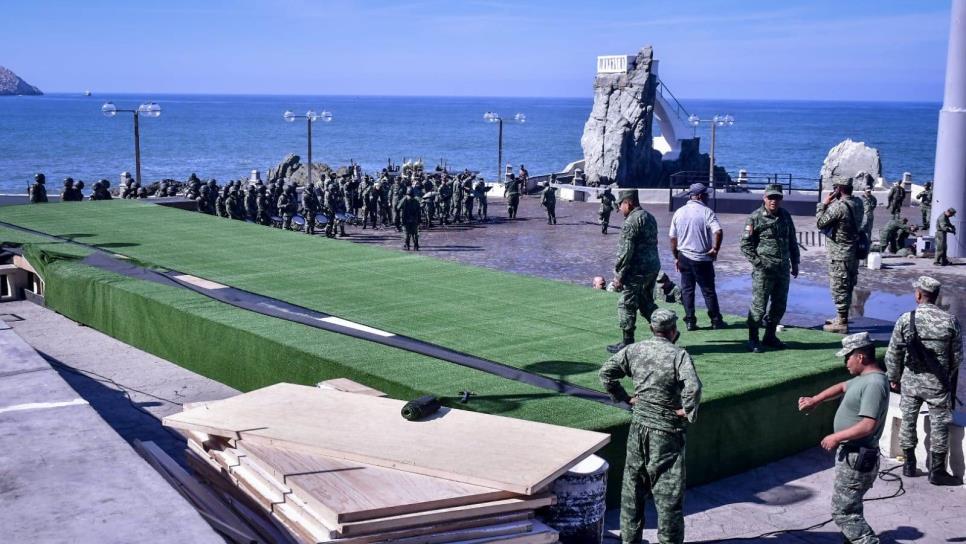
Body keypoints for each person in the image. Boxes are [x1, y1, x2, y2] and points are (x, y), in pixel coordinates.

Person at [599, 309, 702, 544]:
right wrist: (687, 411)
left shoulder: (634, 350)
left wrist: (625, 398)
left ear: (651, 329)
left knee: (633, 489)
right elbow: (693, 388)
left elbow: (606, 374)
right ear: (674, 331)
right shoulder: (679, 355)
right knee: (668, 496)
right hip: (666, 431)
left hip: (639, 426)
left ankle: (630, 540)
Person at [798, 332, 889, 544]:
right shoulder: (864, 379)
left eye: (847, 357)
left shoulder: (874, 384)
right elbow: (842, 387)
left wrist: (836, 437)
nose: (845, 362)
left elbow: (868, 425)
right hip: (852, 455)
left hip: (857, 456)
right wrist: (816, 400)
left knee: (843, 513)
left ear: (861, 357)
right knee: (851, 507)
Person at [885, 276, 962, 486]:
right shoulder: (950, 321)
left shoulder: (906, 319)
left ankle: (909, 464)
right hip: (937, 384)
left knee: (908, 421)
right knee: (940, 425)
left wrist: (893, 378)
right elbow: (957, 357)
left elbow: (893, 354)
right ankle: (937, 471)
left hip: (910, 382)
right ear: (937, 297)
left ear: (918, 295)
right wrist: (945, 374)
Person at [741, 184, 800, 352]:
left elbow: (792, 240)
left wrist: (795, 262)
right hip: (764, 271)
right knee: (759, 307)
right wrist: (759, 263)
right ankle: (753, 339)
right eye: (771, 197)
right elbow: (745, 245)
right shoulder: (755, 218)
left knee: (779, 305)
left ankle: (770, 336)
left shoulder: (785, 216)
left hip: (782, 269)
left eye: (777, 198)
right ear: (764, 198)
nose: (774, 201)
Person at [608, 189, 661, 353]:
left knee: (626, 304)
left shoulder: (631, 221)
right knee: (645, 302)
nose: (619, 209)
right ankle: (667, 329)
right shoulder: (649, 217)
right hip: (652, 267)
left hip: (636, 270)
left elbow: (626, 252)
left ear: (628, 203)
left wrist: (619, 275)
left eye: (620, 205)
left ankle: (627, 340)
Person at [669, 183, 724, 331]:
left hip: (683, 257)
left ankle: (690, 321)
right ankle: (715, 320)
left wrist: (676, 257)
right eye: (706, 194)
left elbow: (673, 238)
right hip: (702, 259)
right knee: (708, 291)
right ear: (699, 196)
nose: (708, 197)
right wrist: (715, 249)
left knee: (687, 290)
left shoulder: (679, 212)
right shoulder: (707, 212)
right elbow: (718, 232)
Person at [816, 177, 864, 333]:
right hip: (853, 252)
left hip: (839, 254)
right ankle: (841, 316)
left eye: (835, 188)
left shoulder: (839, 207)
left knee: (839, 286)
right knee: (848, 284)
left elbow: (820, 223)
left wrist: (823, 204)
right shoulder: (858, 203)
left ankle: (842, 322)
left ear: (839, 189)